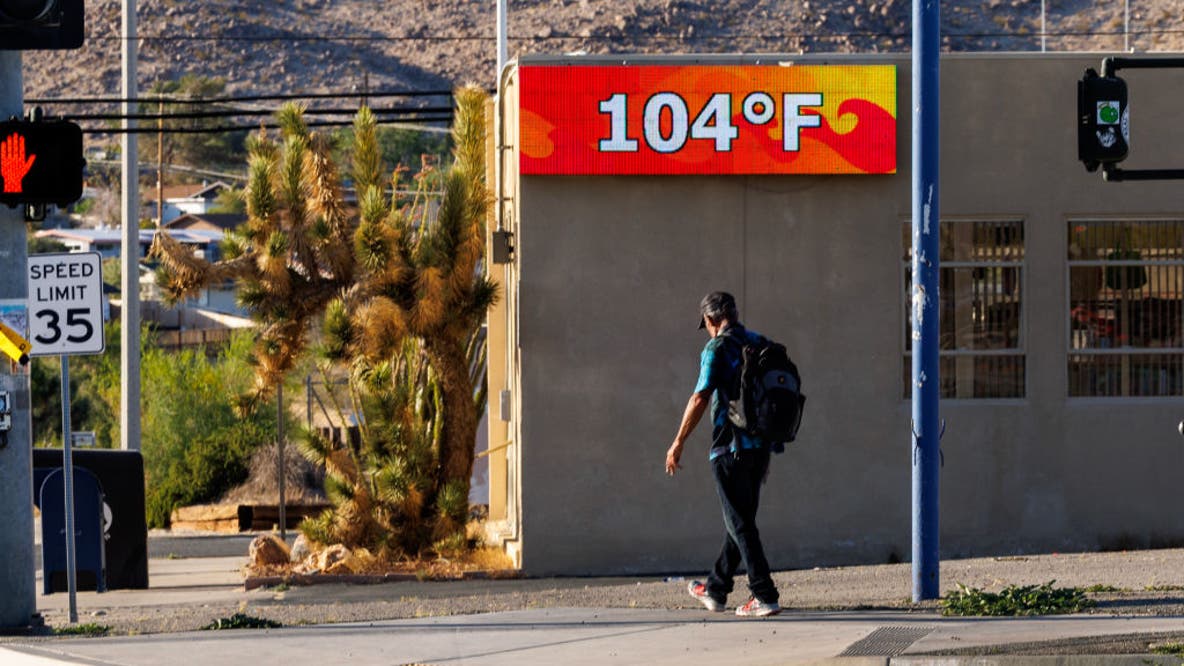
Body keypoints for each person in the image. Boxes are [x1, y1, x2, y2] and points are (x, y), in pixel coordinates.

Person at [665, 291, 781, 617]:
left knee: (740, 523)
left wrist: (678, 442)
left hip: (729, 448)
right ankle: (716, 588)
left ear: (711, 320)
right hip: (760, 448)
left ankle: (764, 594)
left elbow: (700, 396)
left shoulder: (716, 348)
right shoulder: (759, 342)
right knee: (740, 521)